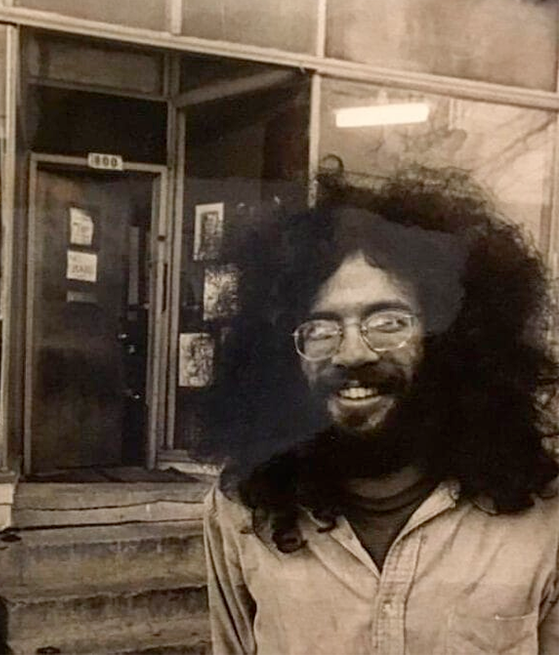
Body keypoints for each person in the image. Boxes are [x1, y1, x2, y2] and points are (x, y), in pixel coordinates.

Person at [200, 167, 559, 654]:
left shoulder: (545, 517)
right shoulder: (242, 508)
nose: (352, 353)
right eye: (321, 328)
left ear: (453, 335)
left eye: (388, 321)